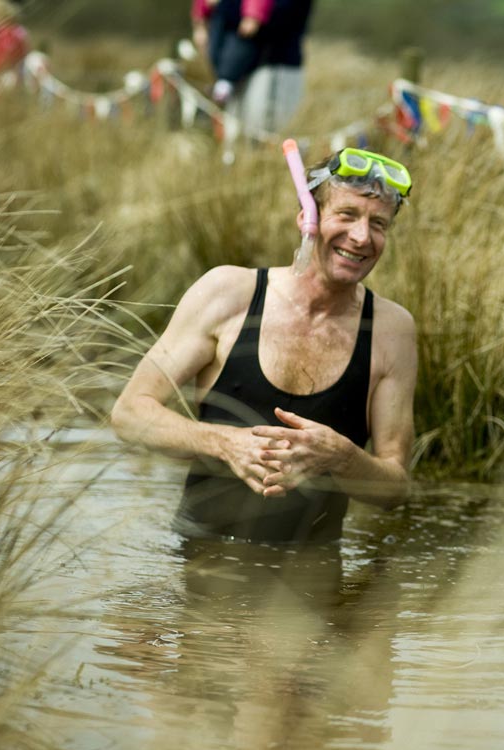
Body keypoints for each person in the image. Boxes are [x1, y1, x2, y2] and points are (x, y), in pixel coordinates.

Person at [111, 148, 417, 544]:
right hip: (202, 558)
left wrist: (342, 456)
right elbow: (129, 414)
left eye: (378, 224)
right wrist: (223, 442)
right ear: (307, 218)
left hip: (313, 576)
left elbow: (395, 489)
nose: (362, 237)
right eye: (346, 215)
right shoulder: (227, 293)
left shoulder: (392, 331)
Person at [191, 0, 315, 136]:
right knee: (238, 135)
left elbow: (276, 16)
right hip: (241, 71)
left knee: (264, 135)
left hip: (274, 70)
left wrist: (222, 5)